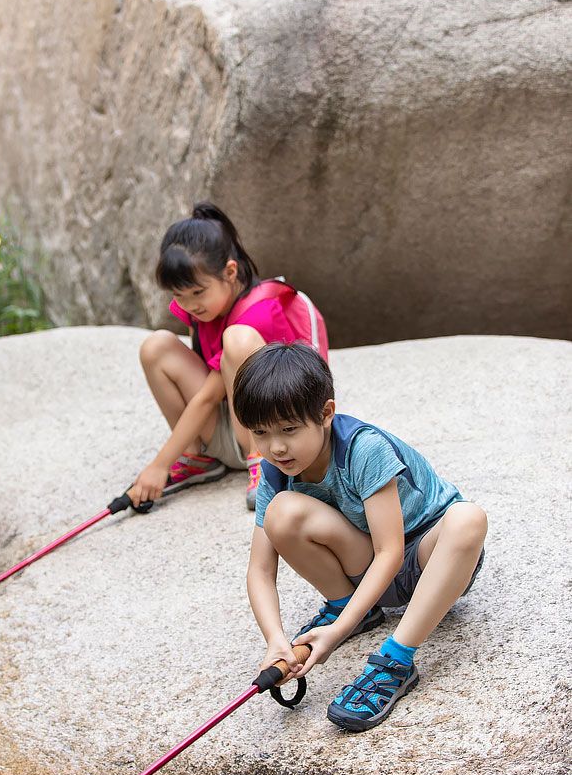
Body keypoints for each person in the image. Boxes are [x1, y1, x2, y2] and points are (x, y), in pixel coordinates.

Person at [232, 342, 487, 731]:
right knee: (281, 514)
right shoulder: (275, 470)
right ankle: (355, 608)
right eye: (261, 433)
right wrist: (276, 641)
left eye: (289, 429)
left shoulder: (363, 448)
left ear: (326, 414)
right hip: (366, 565)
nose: (276, 447)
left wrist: (337, 632)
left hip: (428, 560)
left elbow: (391, 551)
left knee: (468, 519)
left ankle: (396, 661)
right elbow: (260, 571)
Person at [129, 203, 328, 511]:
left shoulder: (258, 313)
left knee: (237, 338)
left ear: (230, 271)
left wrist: (160, 465)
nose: (189, 304)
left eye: (197, 292)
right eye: (179, 295)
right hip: (228, 427)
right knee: (156, 346)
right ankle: (198, 458)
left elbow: (207, 398)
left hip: (270, 432)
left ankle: (264, 464)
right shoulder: (204, 310)